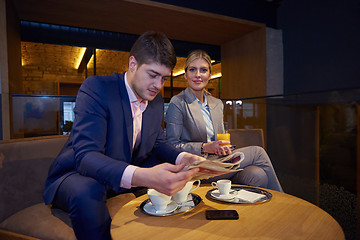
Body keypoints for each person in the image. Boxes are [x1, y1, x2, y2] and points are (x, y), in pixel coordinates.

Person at [43, 31, 203, 240]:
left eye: (164, 78)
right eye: (153, 75)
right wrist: (144, 176)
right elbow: (86, 156)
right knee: (87, 191)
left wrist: (184, 158)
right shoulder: (97, 88)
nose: (158, 85)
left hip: (124, 168)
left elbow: (158, 142)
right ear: (133, 64)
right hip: (78, 173)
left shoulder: (155, 100)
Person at [165, 49, 283, 192]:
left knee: (257, 175)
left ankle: (262, 212)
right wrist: (204, 147)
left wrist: (223, 147)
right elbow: (171, 145)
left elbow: (219, 140)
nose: (197, 75)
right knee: (258, 152)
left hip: (219, 162)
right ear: (185, 75)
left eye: (203, 70)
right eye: (192, 70)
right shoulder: (177, 102)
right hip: (197, 167)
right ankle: (283, 203)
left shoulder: (217, 104)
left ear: (209, 75)